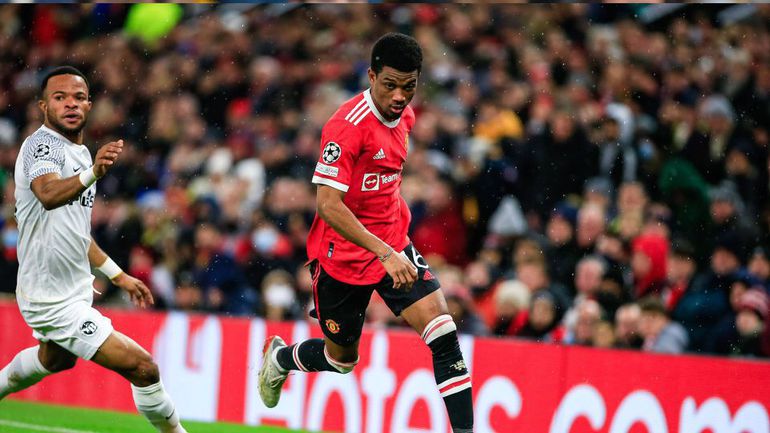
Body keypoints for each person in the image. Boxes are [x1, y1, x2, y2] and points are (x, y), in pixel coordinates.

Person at [257, 33, 474, 432]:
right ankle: (281, 359)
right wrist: (383, 252)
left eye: (409, 86)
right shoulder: (346, 127)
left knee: (443, 333)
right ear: (372, 76)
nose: (399, 96)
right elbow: (328, 205)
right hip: (342, 257)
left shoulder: (406, 116)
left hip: (394, 242)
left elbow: (383, 179)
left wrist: (393, 245)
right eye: (390, 85)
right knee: (341, 360)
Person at [0, 67, 186, 433]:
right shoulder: (42, 146)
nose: (70, 104)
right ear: (43, 106)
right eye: (60, 98)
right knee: (144, 368)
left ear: (89, 105)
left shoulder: (82, 154)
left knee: (55, 360)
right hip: (50, 296)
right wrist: (94, 174)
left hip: (71, 289)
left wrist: (119, 276)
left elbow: (77, 234)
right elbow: (48, 194)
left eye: (79, 97)